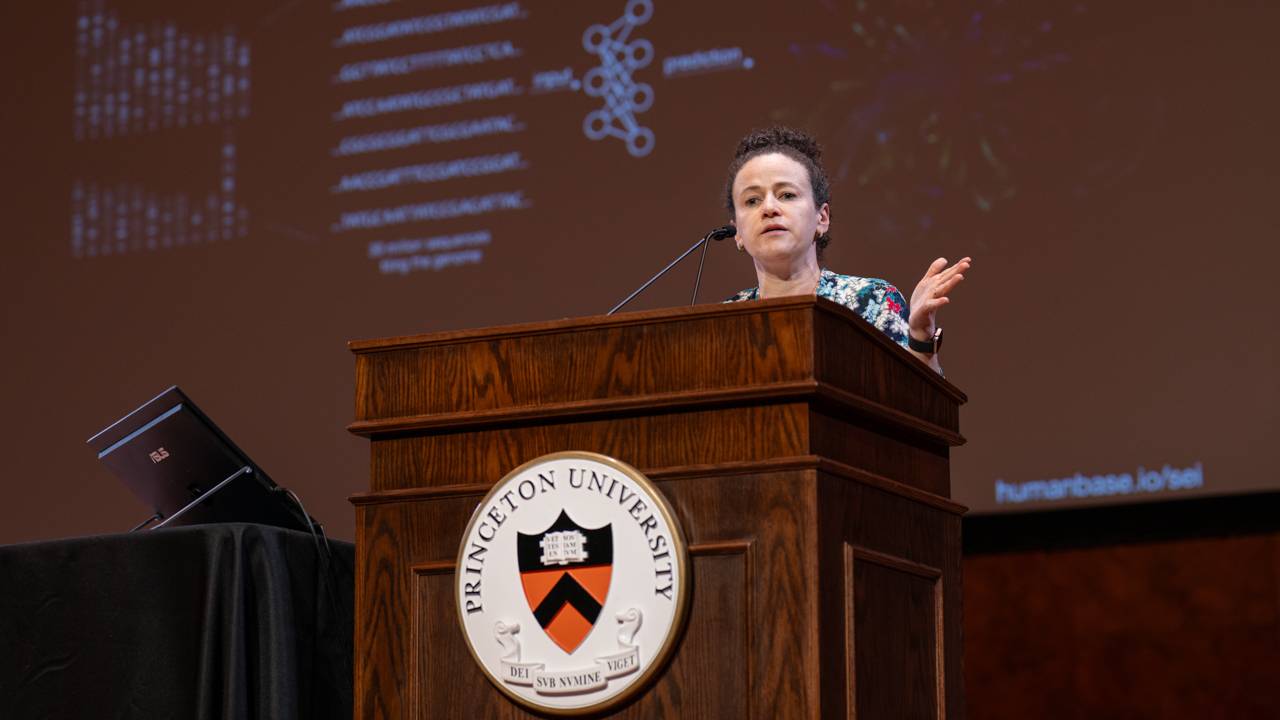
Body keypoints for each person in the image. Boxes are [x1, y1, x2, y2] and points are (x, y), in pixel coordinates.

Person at [723, 127, 970, 375]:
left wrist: (920, 340)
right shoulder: (722, 322)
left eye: (786, 195)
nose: (768, 208)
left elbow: (919, 407)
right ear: (738, 233)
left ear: (822, 218)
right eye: (752, 200)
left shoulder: (870, 301)